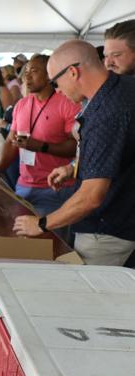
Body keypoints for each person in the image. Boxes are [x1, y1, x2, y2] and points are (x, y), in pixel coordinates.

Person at [13, 40, 135, 266]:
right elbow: (120, 151)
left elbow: (92, 196)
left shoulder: (106, 112)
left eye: (55, 82)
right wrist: (73, 168)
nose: (57, 90)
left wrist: (41, 224)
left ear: (72, 72)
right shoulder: (122, 89)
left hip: (107, 229)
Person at [0, 54, 80, 241]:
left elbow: (77, 146)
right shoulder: (22, 105)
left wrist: (40, 146)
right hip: (23, 186)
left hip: (55, 189)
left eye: (34, 71)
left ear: (50, 75)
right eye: (26, 71)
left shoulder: (67, 103)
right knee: (20, 242)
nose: (27, 76)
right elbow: (11, 141)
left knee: (50, 247)